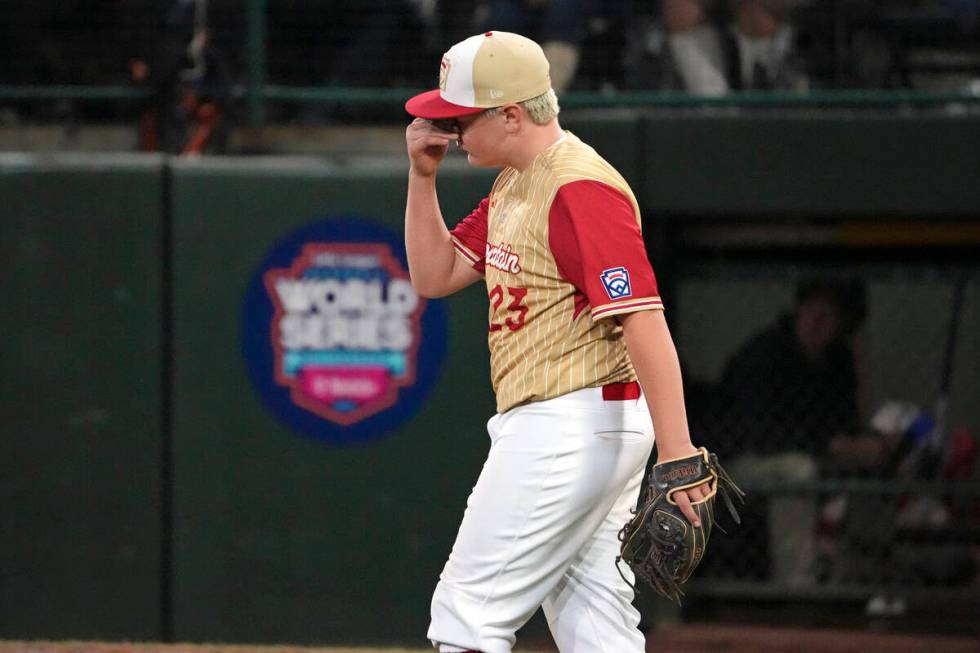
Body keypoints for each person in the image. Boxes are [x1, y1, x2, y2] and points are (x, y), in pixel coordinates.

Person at [403, 31, 711, 653]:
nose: (451, 131)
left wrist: (678, 456)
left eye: (461, 119)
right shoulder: (516, 182)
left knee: (467, 616)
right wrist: (422, 178)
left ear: (512, 114)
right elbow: (433, 276)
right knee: (592, 618)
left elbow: (643, 319)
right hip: (583, 421)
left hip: (568, 423)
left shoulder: (577, 185)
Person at [713, 278, 866, 586]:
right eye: (814, 313)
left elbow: (846, 424)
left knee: (868, 466)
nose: (820, 324)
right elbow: (757, 434)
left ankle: (859, 577)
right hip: (738, 462)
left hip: (815, 455)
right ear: (799, 311)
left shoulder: (837, 361)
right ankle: (796, 583)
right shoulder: (764, 355)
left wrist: (869, 443)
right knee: (799, 471)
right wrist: (829, 445)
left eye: (831, 317)